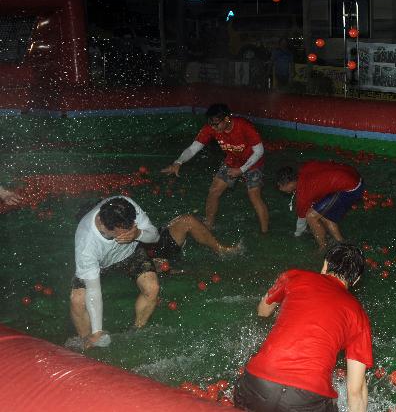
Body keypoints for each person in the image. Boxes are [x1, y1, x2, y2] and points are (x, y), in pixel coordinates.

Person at [69, 196, 237, 350]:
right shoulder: (86, 243)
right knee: (78, 300)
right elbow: (93, 289)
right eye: (126, 229)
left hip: (130, 252)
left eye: (133, 224)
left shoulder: (125, 206)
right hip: (100, 264)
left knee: (152, 288)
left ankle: (136, 331)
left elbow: (155, 237)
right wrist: (98, 331)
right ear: (108, 227)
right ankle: (87, 343)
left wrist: (138, 233)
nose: (132, 227)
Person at [234, 244, 372, 412]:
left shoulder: (294, 276)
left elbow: (262, 311)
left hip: (256, 388)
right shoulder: (359, 315)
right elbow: (355, 391)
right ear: (356, 280)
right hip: (307, 402)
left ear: (325, 264)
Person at [162, 103, 270, 233]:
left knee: (254, 196)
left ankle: (265, 233)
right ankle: (209, 226)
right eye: (211, 124)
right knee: (213, 192)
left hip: (253, 162)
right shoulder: (211, 128)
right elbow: (193, 148)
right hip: (232, 161)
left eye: (216, 124)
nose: (213, 127)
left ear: (226, 119)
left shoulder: (244, 126)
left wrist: (241, 170)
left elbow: (259, 151)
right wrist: (178, 162)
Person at [276, 162, 364, 249]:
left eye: (281, 186)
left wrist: (297, 234)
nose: (280, 189)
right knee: (321, 213)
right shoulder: (304, 168)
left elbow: (302, 218)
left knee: (311, 216)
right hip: (353, 174)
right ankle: (341, 244)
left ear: (290, 184)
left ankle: (323, 247)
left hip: (351, 188)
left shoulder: (304, 192)